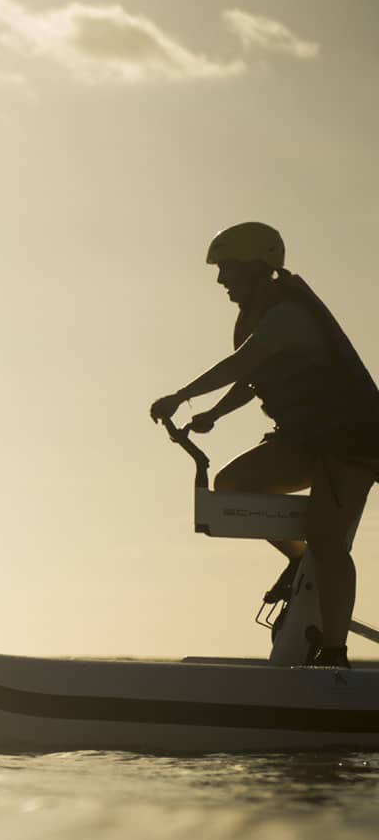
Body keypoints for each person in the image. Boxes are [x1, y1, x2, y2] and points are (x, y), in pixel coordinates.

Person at [150, 221, 379, 668]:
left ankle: (334, 656)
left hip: (352, 444)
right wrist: (213, 415)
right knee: (233, 484)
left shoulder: (288, 314)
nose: (221, 280)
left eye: (227, 269)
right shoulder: (268, 314)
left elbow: (242, 364)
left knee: (328, 540)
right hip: (310, 441)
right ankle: (300, 562)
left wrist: (181, 396)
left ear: (256, 267)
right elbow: (256, 378)